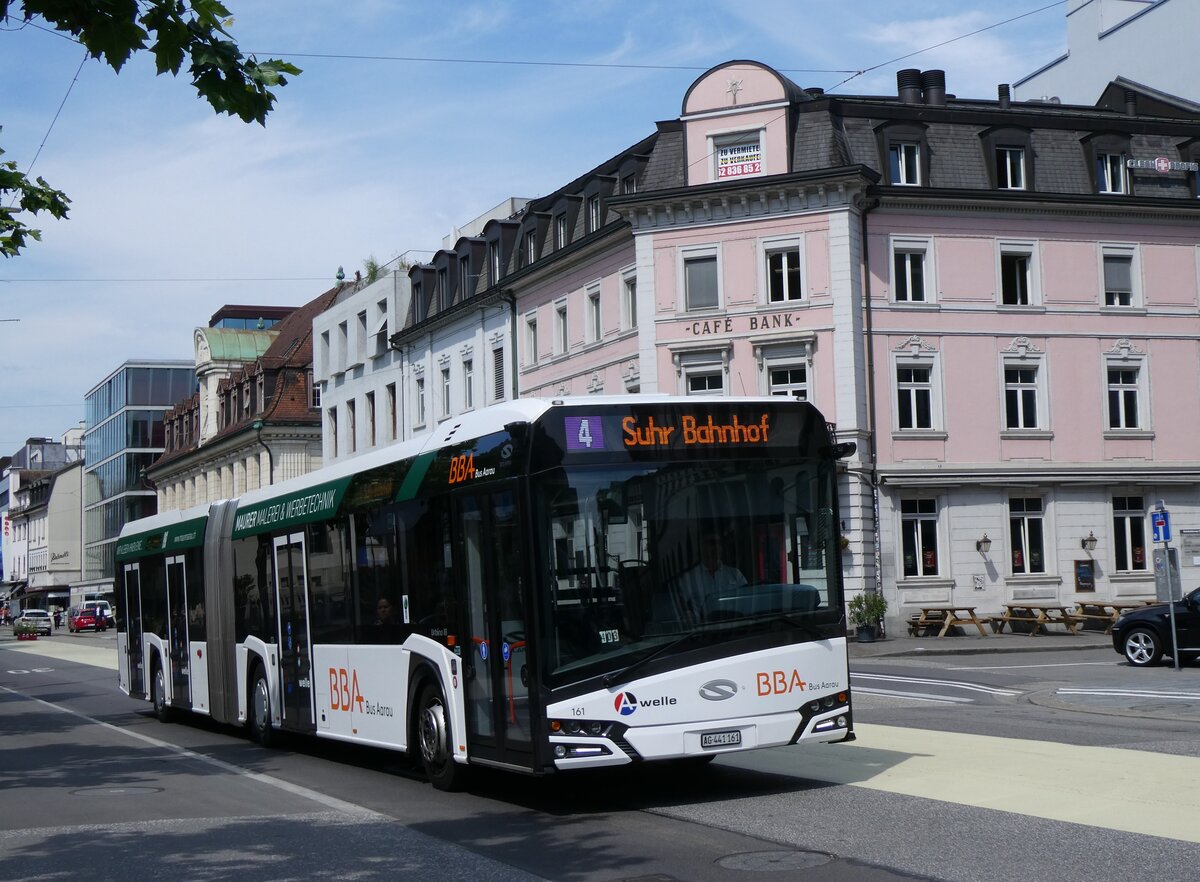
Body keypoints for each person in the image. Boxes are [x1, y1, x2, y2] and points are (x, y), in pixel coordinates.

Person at [677, 532, 747, 621]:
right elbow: (680, 605)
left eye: (718, 543)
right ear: (701, 547)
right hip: (703, 629)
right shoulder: (689, 578)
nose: (715, 547)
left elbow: (746, 601)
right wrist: (687, 613)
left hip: (734, 626)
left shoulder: (735, 574)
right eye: (711, 543)